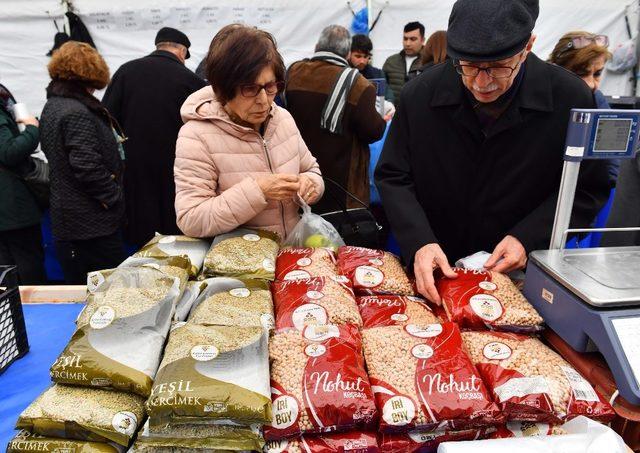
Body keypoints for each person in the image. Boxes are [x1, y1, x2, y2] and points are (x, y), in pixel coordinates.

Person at [375, 0, 610, 304]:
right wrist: (419, 241)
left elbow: (587, 188)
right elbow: (393, 175)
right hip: (438, 269)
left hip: (522, 278)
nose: (481, 83)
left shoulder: (570, 98)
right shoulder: (419, 95)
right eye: (468, 67)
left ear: (528, 47)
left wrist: (527, 238)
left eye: (499, 67)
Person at [174, 25, 324, 240]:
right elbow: (191, 219)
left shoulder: (283, 119)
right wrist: (257, 191)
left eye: (271, 86)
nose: (264, 100)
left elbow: (311, 169)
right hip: (241, 267)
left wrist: (310, 185)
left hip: (290, 255)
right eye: (250, 89)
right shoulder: (196, 136)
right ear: (223, 88)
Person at [102, 27, 206, 248]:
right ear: (182, 52)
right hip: (177, 168)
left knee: (143, 237)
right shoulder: (189, 79)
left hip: (135, 169)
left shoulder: (125, 72)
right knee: (176, 236)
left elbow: (106, 118)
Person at [40, 41, 126, 284]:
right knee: (109, 291)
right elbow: (87, 166)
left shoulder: (54, 104)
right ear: (91, 72)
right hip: (89, 225)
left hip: (75, 220)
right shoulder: (75, 111)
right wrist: (112, 198)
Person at [285, 25, 386, 214]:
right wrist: (382, 119)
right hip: (341, 186)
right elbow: (373, 131)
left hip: (298, 179)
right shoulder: (359, 85)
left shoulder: (294, 72)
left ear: (317, 46)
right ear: (348, 53)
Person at [548, 32, 618, 185]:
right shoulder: (535, 99)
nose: (592, 84)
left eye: (597, 73)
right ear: (555, 69)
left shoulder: (597, 100)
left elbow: (611, 167)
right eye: (581, 74)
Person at [0, 83, 46, 284]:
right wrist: (31, 129)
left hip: (9, 208)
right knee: (27, 268)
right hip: (12, 208)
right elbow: (9, 153)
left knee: (7, 270)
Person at [382, 21, 425, 101]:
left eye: (413, 39)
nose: (407, 43)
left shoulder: (429, 62)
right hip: (393, 111)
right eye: (405, 39)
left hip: (418, 111)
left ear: (422, 40)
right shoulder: (391, 62)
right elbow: (382, 88)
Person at [349, 34, 395, 104]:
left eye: (365, 57)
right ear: (349, 54)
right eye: (358, 56)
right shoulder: (343, 72)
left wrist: (389, 104)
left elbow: (389, 95)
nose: (362, 61)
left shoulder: (378, 73)